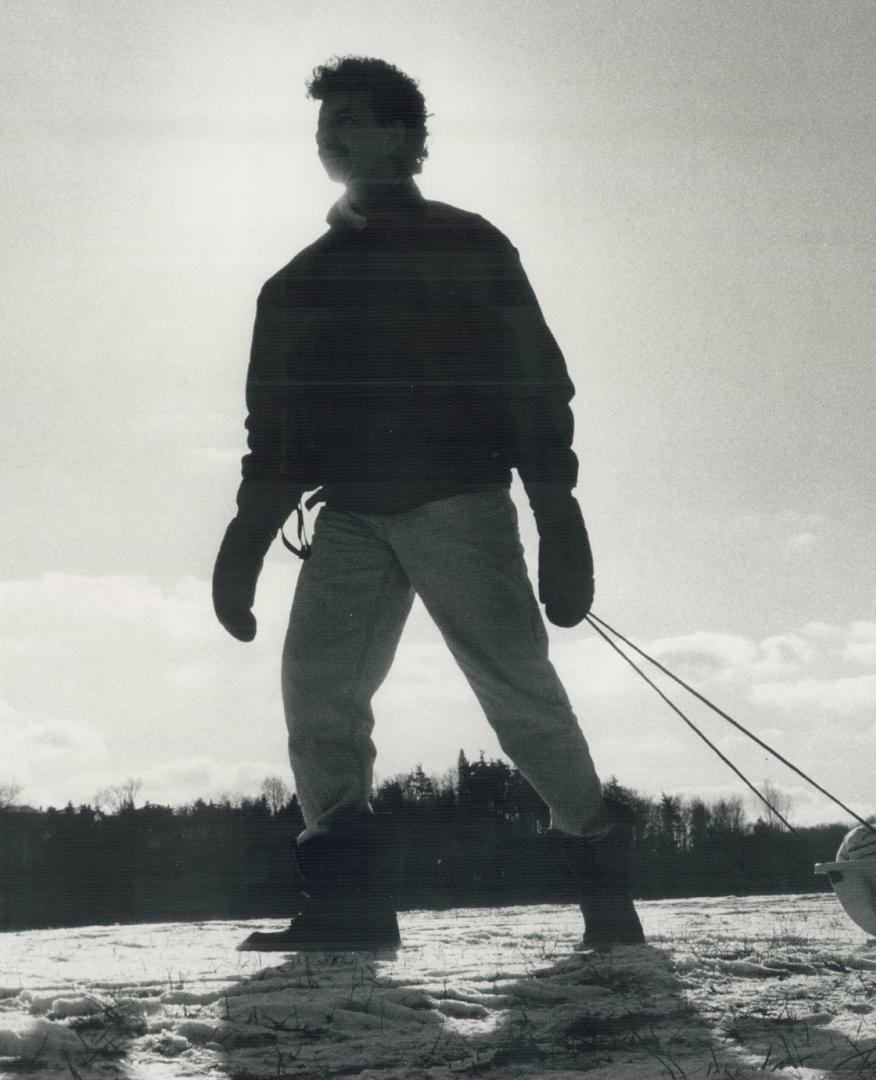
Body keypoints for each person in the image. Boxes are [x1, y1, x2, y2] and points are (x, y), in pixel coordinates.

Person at [212, 56, 644, 953]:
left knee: (518, 693)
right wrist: (244, 541)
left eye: (354, 117)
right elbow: (277, 426)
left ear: (408, 138)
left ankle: (601, 876)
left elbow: (535, 381)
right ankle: (348, 906)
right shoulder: (296, 282)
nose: (331, 133)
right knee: (318, 696)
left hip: (460, 502)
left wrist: (560, 515)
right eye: (324, 121)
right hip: (352, 520)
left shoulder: (469, 244)